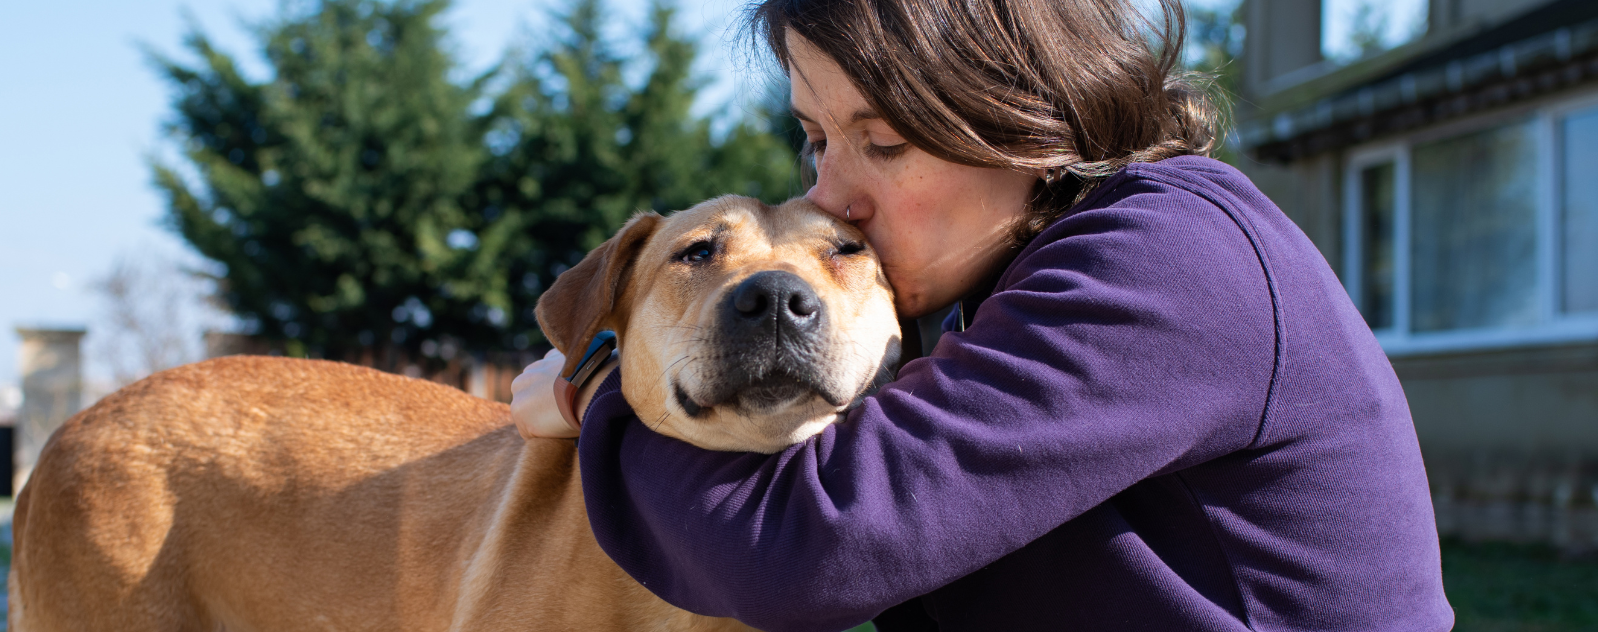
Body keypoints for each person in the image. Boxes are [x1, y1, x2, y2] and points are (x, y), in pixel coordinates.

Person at [508, 0, 1454, 630]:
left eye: (880, 140)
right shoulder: (1008, 298)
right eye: (815, 137)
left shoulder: (1170, 262)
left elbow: (811, 549)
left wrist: (601, 392)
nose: (833, 191)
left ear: (1017, 114)